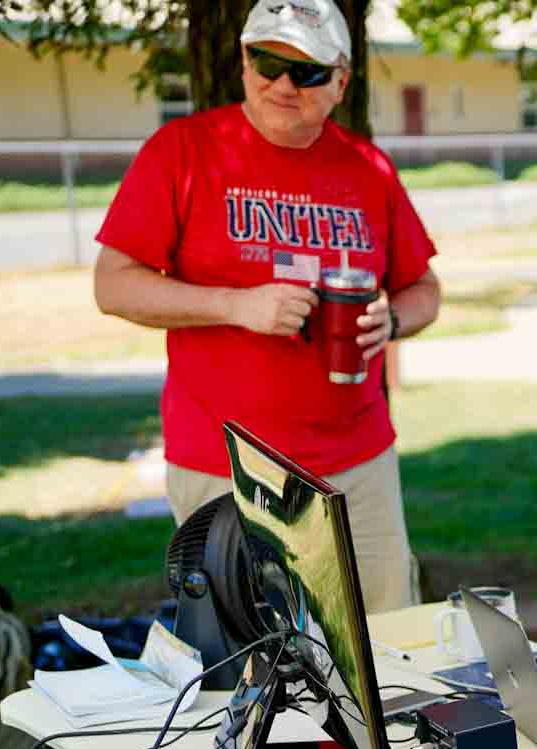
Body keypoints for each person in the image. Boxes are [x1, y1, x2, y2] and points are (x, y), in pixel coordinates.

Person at [93, 0, 440, 613]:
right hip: (225, 463)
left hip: (357, 464)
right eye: (267, 62)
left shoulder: (368, 168)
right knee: (248, 650)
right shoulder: (183, 150)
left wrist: (392, 320)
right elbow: (113, 286)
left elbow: (424, 290)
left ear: (341, 82)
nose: (282, 84)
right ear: (244, 61)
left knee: (384, 641)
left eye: (305, 71)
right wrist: (235, 305)